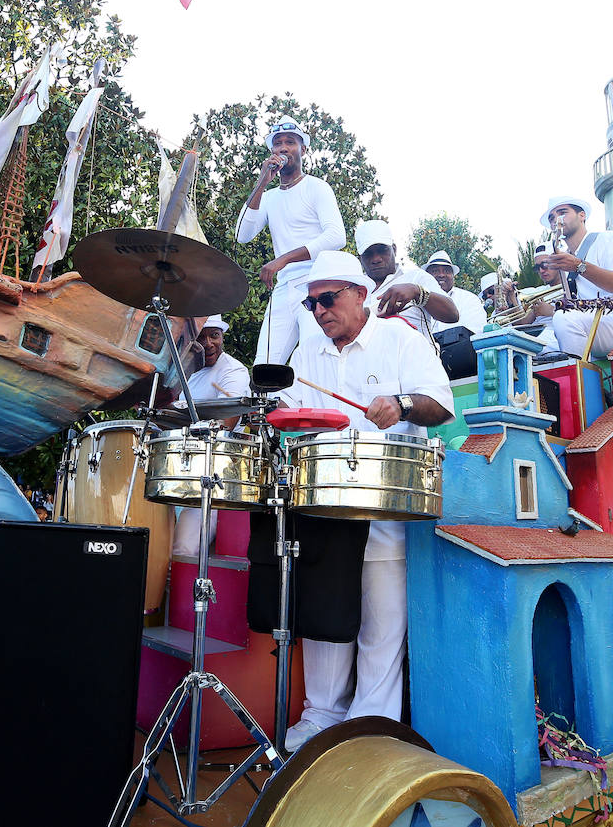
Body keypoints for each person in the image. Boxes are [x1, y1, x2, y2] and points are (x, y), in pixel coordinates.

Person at [277, 251, 455, 751]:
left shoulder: (400, 338)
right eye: (312, 304)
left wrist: (401, 404)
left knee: (382, 625)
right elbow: (287, 407)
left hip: (384, 503)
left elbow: (441, 404)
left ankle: (369, 725)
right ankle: (320, 715)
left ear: (359, 294)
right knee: (325, 614)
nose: (319, 311)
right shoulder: (309, 350)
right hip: (325, 503)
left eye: (327, 299)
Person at [234, 117, 347, 364]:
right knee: (264, 366)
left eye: (290, 142)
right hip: (284, 288)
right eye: (278, 144)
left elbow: (337, 236)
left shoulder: (317, 187)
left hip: (316, 284)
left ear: (303, 149)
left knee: (316, 358)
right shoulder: (270, 196)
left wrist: (283, 259)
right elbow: (242, 235)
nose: (283, 148)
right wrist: (263, 180)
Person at [171, 315, 253, 557]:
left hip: (211, 473)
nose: (208, 343)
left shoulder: (233, 371)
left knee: (184, 549)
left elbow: (229, 419)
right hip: (176, 467)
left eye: (214, 336)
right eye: (200, 337)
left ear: (222, 337)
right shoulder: (181, 369)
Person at [537, 196, 613, 360]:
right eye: (552, 217)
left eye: (562, 212)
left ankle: (580, 381)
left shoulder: (610, 239)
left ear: (582, 215)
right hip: (591, 325)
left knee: (564, 319)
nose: (556, 220)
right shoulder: (566, 259)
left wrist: (579, 266)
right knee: (534, 345)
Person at [354, 221, 459, 344]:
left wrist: (418, 293)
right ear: (360, 258)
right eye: (368, 254)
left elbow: (452, 315)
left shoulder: (416, 278)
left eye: (382, 250)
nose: (376, 259)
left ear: (394, 249)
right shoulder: (352, 291)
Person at [423, 250, 488, 335]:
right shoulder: (417, 301)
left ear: (453, 276)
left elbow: (476, 332)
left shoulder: (469, 299)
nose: (441, 275)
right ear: (427, 276)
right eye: (435, 271)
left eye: (446, 271)